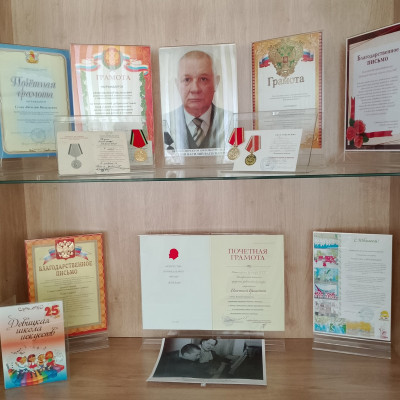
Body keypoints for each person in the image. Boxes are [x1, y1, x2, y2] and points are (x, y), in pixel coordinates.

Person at [165, 50, 231, 150]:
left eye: (203, 79)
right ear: (177, 85)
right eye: (187, 79)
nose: (195, 89)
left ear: (216, 83)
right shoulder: (165, 124)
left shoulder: (230, 121)